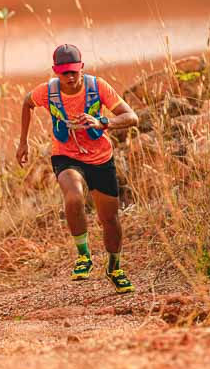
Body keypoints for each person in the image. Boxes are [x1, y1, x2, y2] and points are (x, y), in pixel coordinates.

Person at [16, 44, 139, 294]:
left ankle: (114, 268)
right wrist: (23, 141)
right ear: (55, 72)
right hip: (65, 155)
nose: (70, 78)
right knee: (73, 196)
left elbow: (131, 117)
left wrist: (103, 121)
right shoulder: (47, 92)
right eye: (64, 73)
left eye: (74, 72)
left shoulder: (98, 87)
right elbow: (26, 103)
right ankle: (84, 256)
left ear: (81, 68)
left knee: (110, 219)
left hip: (100, 157)